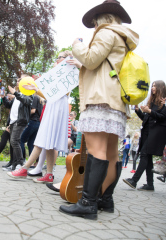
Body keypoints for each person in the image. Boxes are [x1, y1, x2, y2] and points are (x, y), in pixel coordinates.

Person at [59, 0, 139, 220]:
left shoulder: (106, 33)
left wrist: (76, 45)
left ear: (102, 19)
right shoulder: (122, 37)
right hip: (116, 101)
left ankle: (87, 203)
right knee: (112, 153)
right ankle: (106, 200)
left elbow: (92, 59)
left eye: (94, 22)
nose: (94, 26)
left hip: (100, 99)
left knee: (96, 150)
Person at [6, 50, 78, 183]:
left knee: (43, 137)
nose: (56, 60)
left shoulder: (68, 74)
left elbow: (57, 93)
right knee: (48, 142)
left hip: (57, 107)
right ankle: (49, 175)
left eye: (59, 58)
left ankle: (24, 168)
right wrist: (35, 88)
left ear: (67, 59)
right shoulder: (60, 74)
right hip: (53, 105)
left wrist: (36, 89)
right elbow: (48, 94)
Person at [123, 80, 166, 191]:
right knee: (148, 157)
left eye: (155, 86)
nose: (152, 88)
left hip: (156, 133)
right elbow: (145, 119)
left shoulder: (163, 102)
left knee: (144, 154)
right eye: (152, 86)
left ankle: (134, 180)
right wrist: (138, 110)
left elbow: (162, 118)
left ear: (161, 88)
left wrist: (150, 111)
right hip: (147, 132)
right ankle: (150, 185)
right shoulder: (151, 102)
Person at [1, 75, 34, 170]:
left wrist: (15, 93)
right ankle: (15, 165)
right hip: (13, 122)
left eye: (20, 80)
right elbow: (8, 105)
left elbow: (26, 101)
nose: (17, 82)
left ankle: (19, 164)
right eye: (18, 80)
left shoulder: (28, 94)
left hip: (20, 121)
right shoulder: (17, 95)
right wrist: (3, 97)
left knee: (15, 141)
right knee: (14, 142)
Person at [20, 94, 44, 162]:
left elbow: (33, 110)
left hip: (33, 121)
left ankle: (20, 160)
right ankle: (32, 162)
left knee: (21, 140)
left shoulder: (35, 97)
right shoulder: (41, 100)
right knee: (31, 143)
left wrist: (24, 114)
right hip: (38, 123)